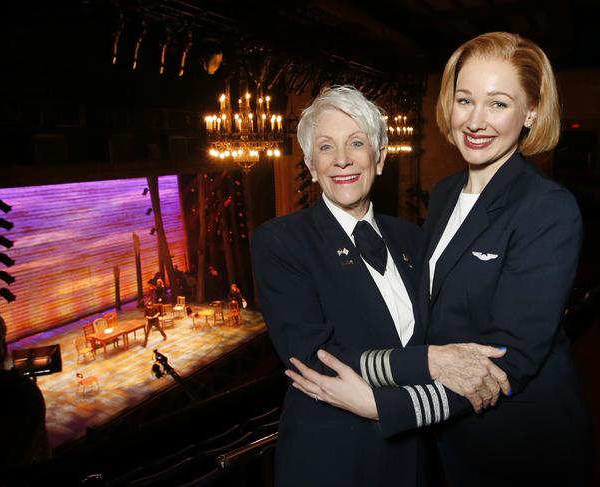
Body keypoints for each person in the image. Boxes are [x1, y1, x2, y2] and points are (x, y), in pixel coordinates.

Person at [288, 33, 592, 486]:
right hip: (449, 438)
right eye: (465, 99)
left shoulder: (547, 207)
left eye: (499, 104)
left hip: (518, 443)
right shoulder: (449, 192)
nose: (476, 120)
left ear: (531, 111)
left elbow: (513, 359)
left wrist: (382, 405)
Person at [251, 85, 505, 487]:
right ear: (311, 165)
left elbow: (444, 325)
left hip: (415, 447)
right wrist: (432, 362)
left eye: (356, 143)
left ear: (380, 157)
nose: (342, 160)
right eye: (326, 148)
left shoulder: (414, 238)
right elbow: (314, 359)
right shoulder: (281, 242)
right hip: (334, 457)